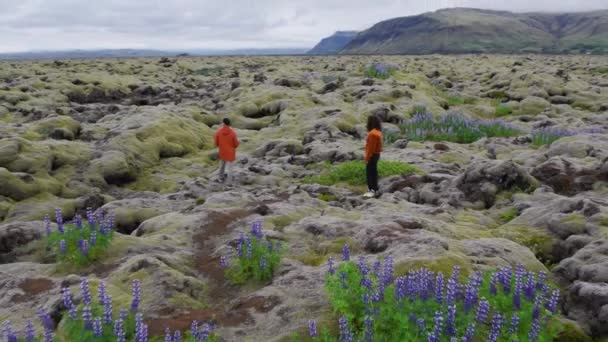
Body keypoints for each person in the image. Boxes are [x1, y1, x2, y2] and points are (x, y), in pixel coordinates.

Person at [214, 118, 239, 186]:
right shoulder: (233, 133)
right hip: (231, 153)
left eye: (222, 122)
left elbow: (216, 143)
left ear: (224, 123)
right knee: (230, 168)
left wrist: (222, 145)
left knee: (221, 166)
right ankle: (229, 182)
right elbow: (236, 144)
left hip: (222, 152)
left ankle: (220, 178)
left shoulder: (218, 132)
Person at [364, 115, 382, 198]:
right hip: (377, 154)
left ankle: (372, 189)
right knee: (374, 171)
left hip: (372, 155)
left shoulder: (372, 134)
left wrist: (367, 158)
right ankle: (375, 188)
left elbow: (370, 148)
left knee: (370, 172)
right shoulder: (378, 132)